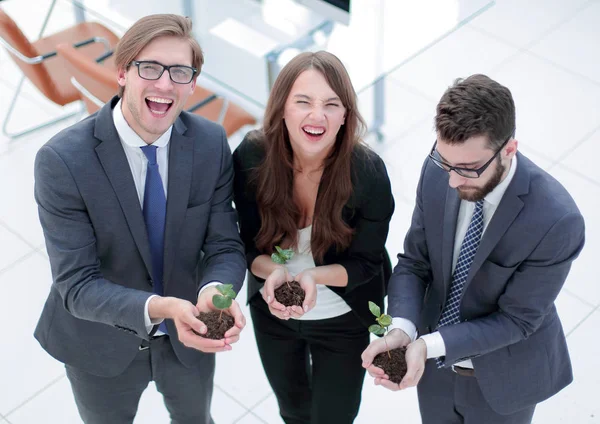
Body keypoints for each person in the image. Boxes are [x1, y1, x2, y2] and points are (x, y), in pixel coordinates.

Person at [33, 14, 247, 424]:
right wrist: (163, 307)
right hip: (99, 343)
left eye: (180, 72)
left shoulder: (210, 142)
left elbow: (224, 244)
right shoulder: (62, 161)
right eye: (150, 67)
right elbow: (76, 285)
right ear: (121, 72)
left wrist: (216, 292)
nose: (165, 84)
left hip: (192, 337)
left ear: (192, 83)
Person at [361, 74, 586, 423]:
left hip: (503, 378)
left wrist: (429, 344)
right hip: (432, 370)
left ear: (509, 149)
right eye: (445, 162)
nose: (452, 180)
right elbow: (415, 263)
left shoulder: (557, 220)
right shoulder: (440, 169)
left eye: (467, 169)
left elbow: (517, 320)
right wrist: (403, 330)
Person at [232, 51, 394, 423]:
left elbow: (366, 264)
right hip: (273, 315)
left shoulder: (367, 173)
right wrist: (273, 272)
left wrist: (311, 277)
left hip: (342, 316)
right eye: (303, 102)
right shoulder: (252, 157)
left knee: (334, 417)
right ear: (282, 109)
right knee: (292, 410)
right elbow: (242, 245)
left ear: (345, 117)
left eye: (331, 105)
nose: (316, 116)